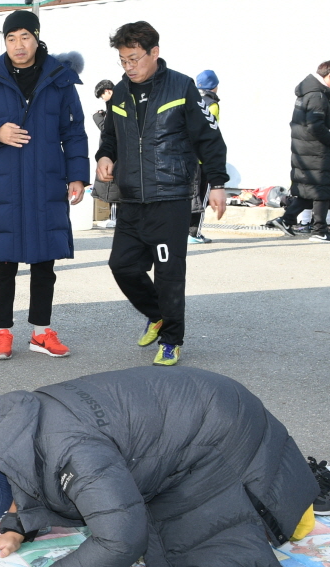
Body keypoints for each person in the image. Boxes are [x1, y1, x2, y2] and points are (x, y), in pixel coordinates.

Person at [0, 367, 319, 567]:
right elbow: (26, 479)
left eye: (4, 509)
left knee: (200, 555)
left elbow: (122, 538)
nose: (7, 513)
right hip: (189, 401)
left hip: (222, 426)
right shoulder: (12, 434)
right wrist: (16, 529)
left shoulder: (75, 454)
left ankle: (293, 508)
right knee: (133, 504)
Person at [0, 9, 88, 361]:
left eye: (25, 37)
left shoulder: (59, 78)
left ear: (37, 37)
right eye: (11, 38)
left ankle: (41, 332)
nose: (18, 45)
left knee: (45, 261)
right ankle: (2, 332)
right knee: (4, 262)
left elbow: (74, 131)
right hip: (6, 185)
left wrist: (77, 175)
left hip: (47, 181)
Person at [95, 21, 229, 367]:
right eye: (123, 60)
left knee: (169, 274)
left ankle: (171, 340)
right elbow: (109, 136)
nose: (129, 67)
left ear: (154, 52)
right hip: (131, 197)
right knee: (122, 265)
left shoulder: (182, 87)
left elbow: (209, 138)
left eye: (135, 59)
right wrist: (105, 156)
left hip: (169, 197)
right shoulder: (120, 93)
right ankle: (157, 315)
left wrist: (217, 183)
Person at [276, 61, 330, 243]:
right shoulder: (317, 96)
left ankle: (285, 220)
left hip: (305, 149)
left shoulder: (307, 92)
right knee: (323, 189)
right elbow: (316, 126)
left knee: (310, 191)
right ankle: (320, 231)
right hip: (316, 151)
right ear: (329, 75)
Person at [188, 70, 221, 244]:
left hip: (188, 158)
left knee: (189, 196)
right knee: (202, 197)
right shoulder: (212, 104)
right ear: (214, 86)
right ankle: (194, 234)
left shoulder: (190, 100)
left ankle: (184, 232)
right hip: (203, 160)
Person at [90, 80, 118, 229]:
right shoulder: (114, 105)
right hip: (112, 155)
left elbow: (107, 130)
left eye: (102, 96)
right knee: (111, 187)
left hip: (114, 156)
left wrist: (97, 117)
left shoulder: (115, 104)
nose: (103, 99)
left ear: (107, 91)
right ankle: (114, 218)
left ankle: (114, 218)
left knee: (113, 188)